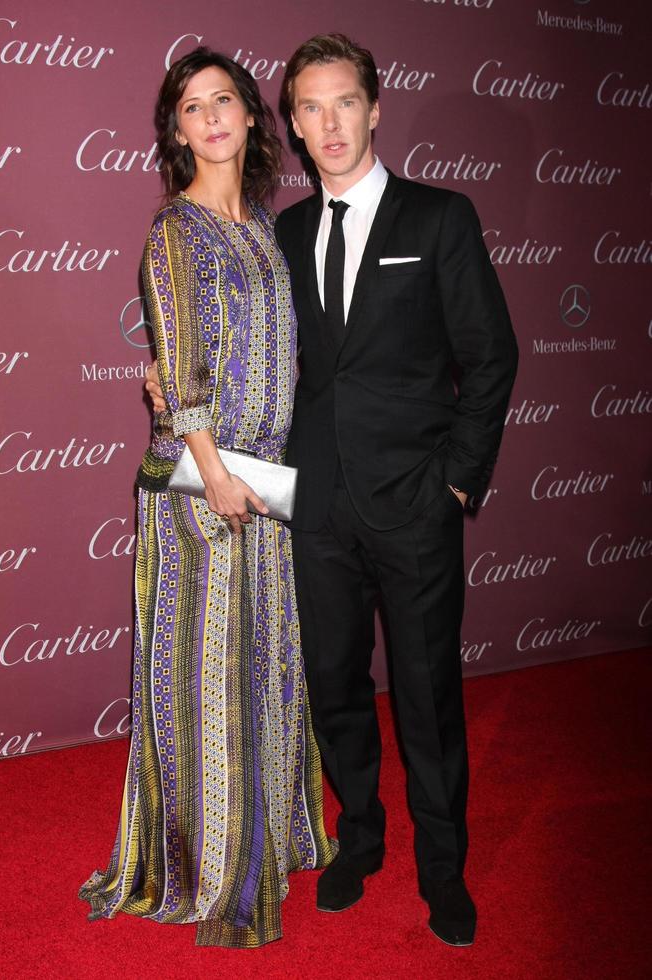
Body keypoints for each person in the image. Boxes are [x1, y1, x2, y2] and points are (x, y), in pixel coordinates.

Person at [147, 32, 518, 947]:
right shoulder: (285, 232)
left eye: (343, 101)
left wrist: (459, 486)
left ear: (374, 108)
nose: (328, 123)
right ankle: (358, 839)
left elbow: (491, 356)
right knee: (335, 688)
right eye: (308, 108)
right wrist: (163, 379)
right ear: (296, 129)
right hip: (313, 510)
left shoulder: (441, 218)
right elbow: (233, 343)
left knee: (429, 697)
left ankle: (443, 868)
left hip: (417, 505)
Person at [79, 47, 335, 949]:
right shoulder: (173, 232)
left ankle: (270, 830)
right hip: (200, 488)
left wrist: (252, 480)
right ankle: (210, 862)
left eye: (225, 100)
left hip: (260, 487)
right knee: (205, 677)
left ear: (251, 118)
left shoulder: (266, 225)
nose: (212, 117)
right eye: (192, 108)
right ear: (177, 130)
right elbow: (178, 366)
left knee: (263, 662)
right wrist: (215, 472)